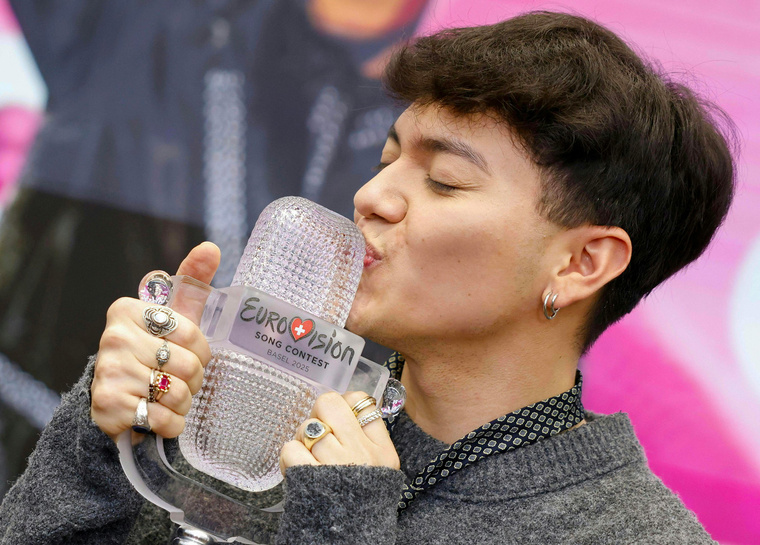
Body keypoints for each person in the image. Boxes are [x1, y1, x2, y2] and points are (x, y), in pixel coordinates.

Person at [0, 11, 734, 544]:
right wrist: (110, 439)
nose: (372, 197)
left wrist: (342, 519)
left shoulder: (629, 532)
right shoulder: (251, 429)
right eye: (387, 160)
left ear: (580, 263)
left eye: (444, 181)